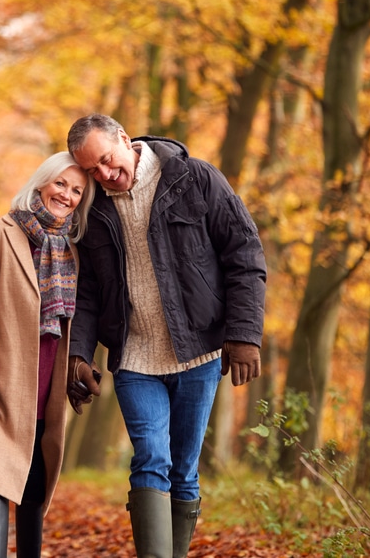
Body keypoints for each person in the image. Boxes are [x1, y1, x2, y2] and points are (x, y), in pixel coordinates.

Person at [63, 114, 267, 558]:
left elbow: (244, 252)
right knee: (151, 459)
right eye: (91, 171)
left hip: (199, 352)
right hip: (135, 357)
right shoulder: (93, 210)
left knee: (185, 470)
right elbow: (89, 292)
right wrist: (78, 354)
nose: (103, 175)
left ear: (123, 138)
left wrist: (245, 332)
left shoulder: (194, 178)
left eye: (107, 161)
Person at [0, 152, 95, 558]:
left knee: (36, 476)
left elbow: (80, 317)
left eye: (77, 191)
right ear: (41, 183)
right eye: (60, 185)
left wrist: (79, 367)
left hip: (48, 379)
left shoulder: (74, 250)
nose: (66, 196)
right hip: (1, 377)